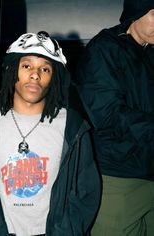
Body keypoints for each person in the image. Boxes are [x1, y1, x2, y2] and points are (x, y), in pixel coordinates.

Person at [0, 31, 101, 236]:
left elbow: (86, 191)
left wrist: (66, 231)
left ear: (54, 78)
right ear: (11, 69)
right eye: (27, 66)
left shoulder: (72, 126)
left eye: (45, 69)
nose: (35, 75)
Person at [76, 0, 154, 235]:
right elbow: (107, 113)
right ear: (137, 12)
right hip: (118, 177)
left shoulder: (150, 53)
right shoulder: (105, 48)